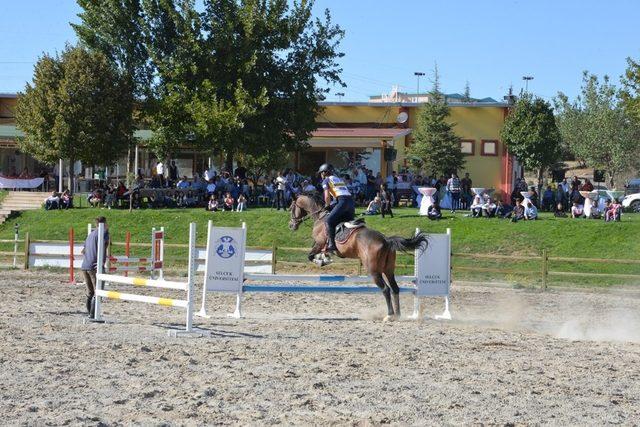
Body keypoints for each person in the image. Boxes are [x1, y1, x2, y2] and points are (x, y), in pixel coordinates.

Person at [319, 163, 355, 255]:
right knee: (345, 221)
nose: (320, 175)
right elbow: (341, 194)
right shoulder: (338, 179)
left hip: (342, 201)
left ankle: (332, 245)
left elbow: (327, 196)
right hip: (350, 203)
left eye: (321, 173)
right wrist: (332, 205)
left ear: (324, 172)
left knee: (329, 221)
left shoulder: (326, 180)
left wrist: (327, 205)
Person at [81, 217, 109, 319]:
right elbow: (103, 248)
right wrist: (101, 262)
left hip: (85, 265)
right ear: (104, 223)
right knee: (98, 291)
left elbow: (83, 251)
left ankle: (90, 314)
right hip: (94, 266)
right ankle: (94, 315)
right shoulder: (104, 233)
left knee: (90, 292)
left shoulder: (90, 235)